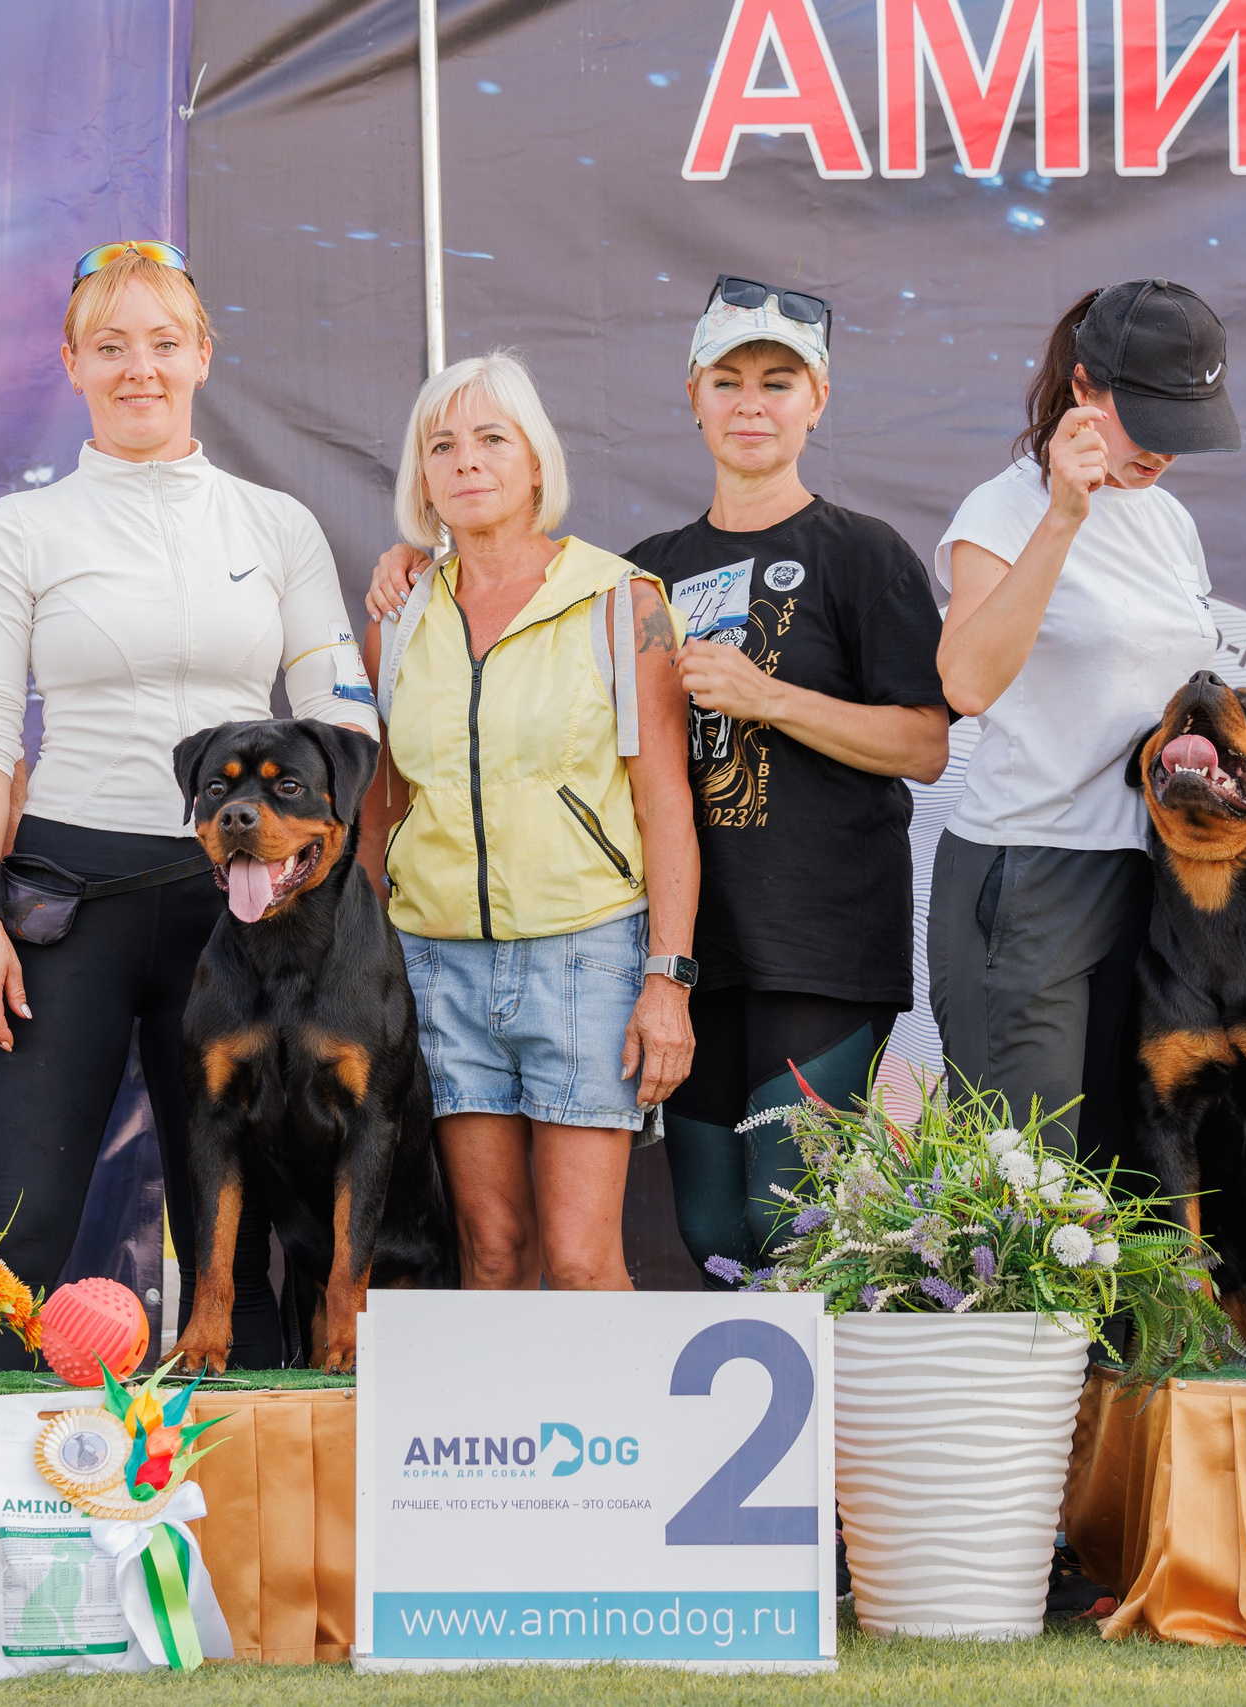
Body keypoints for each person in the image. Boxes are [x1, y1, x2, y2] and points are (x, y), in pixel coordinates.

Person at [370, 284, 952, 1287]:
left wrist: (768, 698)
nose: (750, 404)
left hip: (815, 945)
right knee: (715, 1234)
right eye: (727, 381)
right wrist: (409, 561)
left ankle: (831, 1443)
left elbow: (926, 745)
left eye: (778, 382)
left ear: (817, 399)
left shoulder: (862, 554)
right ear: (692, 395)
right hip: (676, 951)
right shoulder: (642, 573)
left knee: (798, 1221)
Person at [0, 242, 379, 1371]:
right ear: (71, 362)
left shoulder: (274, 524)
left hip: (246, 910)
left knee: (257, 1230)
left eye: (164, 343)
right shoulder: (20, 530)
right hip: (66, 907)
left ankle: (272, 1525)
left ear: (203, 357)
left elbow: (343, 720)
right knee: (22, 1228)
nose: (140, 368)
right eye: (110, 346)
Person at [353, 350, 698, 1292]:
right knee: (492, 1254)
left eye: (492, 438)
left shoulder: (621, 602)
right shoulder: (395, 617)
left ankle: (623, 1444)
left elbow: (665, 798)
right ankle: (509, 1447)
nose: (468, 461)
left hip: (586, 957)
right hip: (438, 963)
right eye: (443, 444)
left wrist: (667, 976)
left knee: (584, 1261)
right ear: (422, 479)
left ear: (536, 461)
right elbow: (384, 808)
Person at [929, 280, 1239, 1151]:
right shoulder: (1002, 508)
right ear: (1081, 388)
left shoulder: (1170, 519)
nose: (1167, 451)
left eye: (1189, 424)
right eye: (1148, 418)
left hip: (1155, 869)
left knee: (1138, 1181)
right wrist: (1064, 515)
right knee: (1027, 1186)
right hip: (1032, 865)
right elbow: (967, 682)